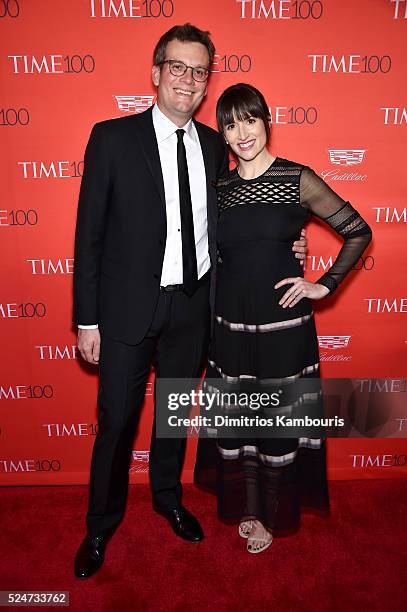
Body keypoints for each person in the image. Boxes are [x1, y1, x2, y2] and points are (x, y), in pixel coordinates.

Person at [73, 26, 308, 578]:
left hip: (194, 305)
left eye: (198, 71)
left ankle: (167, 498)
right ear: (156, 73)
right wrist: (87, 319)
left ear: (207, 86)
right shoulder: (110, 138)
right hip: (128, 309)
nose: (187, 78)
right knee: (117, 423)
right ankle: (100, 525)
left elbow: (241, 214)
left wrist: (289, 240)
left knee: (174, 415)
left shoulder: (211, 144)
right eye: (177, 67)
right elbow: (89, 236)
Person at [194, 83, 372, 553]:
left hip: (282, 329)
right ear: (225, 136)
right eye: (230, 125)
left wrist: (323, 283)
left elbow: (358, 230)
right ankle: (249, 508)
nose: (241, 133)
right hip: (231, 326)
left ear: (265, 120)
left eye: (249, 119)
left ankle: (273, 515)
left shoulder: (297, 179)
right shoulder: (221, 189)